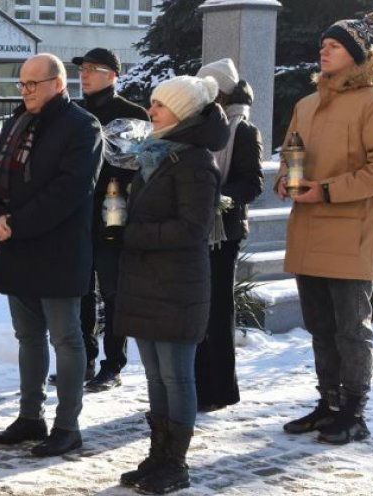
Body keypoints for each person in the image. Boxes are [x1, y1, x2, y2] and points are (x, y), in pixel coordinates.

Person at [277, 12, 373, 445]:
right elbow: (292, 153)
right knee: (320, 326)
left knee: (351, 329)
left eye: (335, 45)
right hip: (309, 227)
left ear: (359, 56)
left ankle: (354, 412)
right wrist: (285, 180)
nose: (324, 49)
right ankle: (328, 404)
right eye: (324, 43)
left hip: (353, 231)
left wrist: (325, 191)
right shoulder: (306, 104)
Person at [0, 53, 103, 457]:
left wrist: (15, 222)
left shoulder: (82, 126)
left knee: (66, 339)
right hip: (17, 246)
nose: (25, 91)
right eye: (21, 84)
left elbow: (70, 190)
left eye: (32, 84)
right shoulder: (17, 121)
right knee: (28, 337)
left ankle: (67, 425)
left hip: (58, 249)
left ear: (58, 83)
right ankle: (30, 416)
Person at [115, 75, 228, 494]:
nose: (151, 111)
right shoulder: (157, 155)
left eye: (159, 105)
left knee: (176, 377)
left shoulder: (195, 161)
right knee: (155, 377)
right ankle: (157, 455)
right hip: (147, 282)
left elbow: (192, 229)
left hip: (178, 285)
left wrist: (131, 233)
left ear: (180, 112)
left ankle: (176, 462)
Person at [73, 47, 149, 393]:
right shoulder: (74, 112)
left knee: (113, 290)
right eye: (82, 69)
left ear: (113, 75)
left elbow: (140, 166)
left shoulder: (132, 114)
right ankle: (84, 359)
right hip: (77, 211)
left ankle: (113, 363)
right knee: (80, 290)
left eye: (93, 69)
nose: (84, 74)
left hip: (115, 209)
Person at [193, 58, 264, 413]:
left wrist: (222, 198)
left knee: (218, 310)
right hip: (196, 228)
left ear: (221, 91)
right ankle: (195, 384)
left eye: (208, 87)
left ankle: (220, 390)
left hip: (224, 231)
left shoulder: (243, 130)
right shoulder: (201, 124)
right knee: (196, 309)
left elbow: (253, 183)